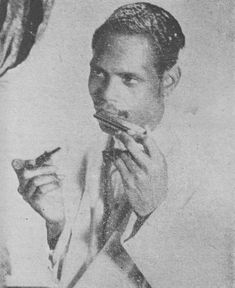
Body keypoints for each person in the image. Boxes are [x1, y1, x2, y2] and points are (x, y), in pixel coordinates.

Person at [11, 2, 233, 288]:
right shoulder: (89, 153)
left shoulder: (213, 171)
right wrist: (57, 225)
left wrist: (151, 214)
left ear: (168, 81)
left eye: (128, 79)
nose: (106, 95)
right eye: (99, 73)